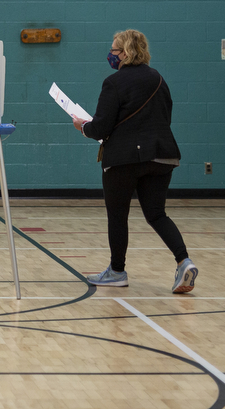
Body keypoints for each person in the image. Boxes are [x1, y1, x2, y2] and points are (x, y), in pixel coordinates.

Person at [72, 29, 198, 293]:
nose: (110, 54)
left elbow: (101, 127)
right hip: (162, 155)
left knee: (118, 215)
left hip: (124, 159)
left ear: (126, 53)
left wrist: (83, 127)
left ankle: (117, 271)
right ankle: (184, 261)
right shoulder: (159, 80)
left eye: (114, 50)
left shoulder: (114, 82)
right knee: (156, 213)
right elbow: (165, 118)